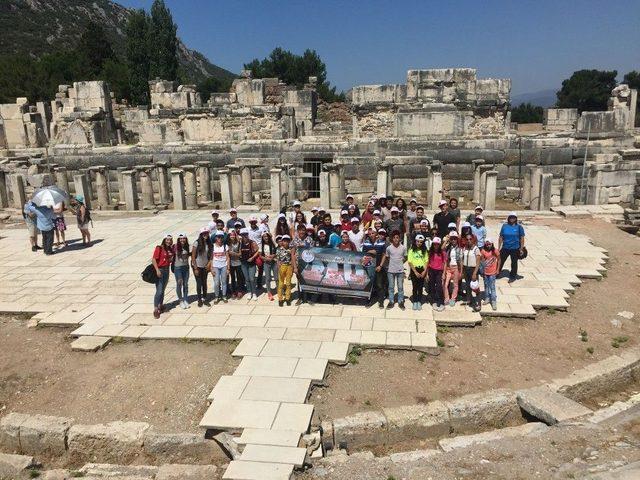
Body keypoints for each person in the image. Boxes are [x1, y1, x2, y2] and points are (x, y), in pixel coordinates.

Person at [381, 231, 407, 310]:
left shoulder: (403, 248)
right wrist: (393, 263)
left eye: (397, 237)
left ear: (400, 238)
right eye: (394, 238)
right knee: (391, 287)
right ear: (392, 239)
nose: (396, 239)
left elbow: (405, 257)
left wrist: (400, 262)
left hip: (400, 271)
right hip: (391, 270)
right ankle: (391, 301)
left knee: (400, 287)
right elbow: (388, 257)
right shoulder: (389, 248)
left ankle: (400, 301)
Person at [498, 212, 525, 283]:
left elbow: (522, 238)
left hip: (515, 248)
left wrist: (521, 248)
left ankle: (513, 276)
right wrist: (498, 247)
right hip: (505, 247)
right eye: (510, 217)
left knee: (514, 263)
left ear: (516, 218)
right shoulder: (504, 226)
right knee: (500, 261)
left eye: (513, 217)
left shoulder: (519, 227)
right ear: (508, 218)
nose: (512, 219)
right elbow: (501, 237)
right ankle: (497, 273)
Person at [365, 228, 388, 309]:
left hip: (379, 266)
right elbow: (363, 254)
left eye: (373, 233)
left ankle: (380, 301)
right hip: (369, 266)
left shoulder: (381, 243)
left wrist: (380, 266)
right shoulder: (366, 243)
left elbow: (384, 254)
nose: (371, 235)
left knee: (380, 284)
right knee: (370, 284)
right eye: (370, 233)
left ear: (376, 234)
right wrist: (370, 252)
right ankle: (369, 300)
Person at [152, 234, 174, 318]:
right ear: (164, 240)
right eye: (167, 240)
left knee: (163, 288)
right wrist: (157, 270)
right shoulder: (159, 248)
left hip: (166, 270)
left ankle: (160, 305)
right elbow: (154, 259)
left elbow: (169, 259)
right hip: (160, 270)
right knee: (159, 290)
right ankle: (155, 309)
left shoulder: (170, 249)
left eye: (170, 240)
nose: (169, 241)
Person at [461, 232, 482, 312]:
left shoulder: (476, 249)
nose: (469, 241)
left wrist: (475, 273)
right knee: (467, 286)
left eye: (470, 239)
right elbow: (463, 260)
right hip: (466, 269)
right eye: (467, 239)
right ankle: (469, 300)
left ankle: (478, 304)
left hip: (473, 269)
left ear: (473, 240)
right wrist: (462, 271)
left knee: (475, 287)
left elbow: (478, 263)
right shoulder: (465, 248)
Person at [408, 234, 429, 310]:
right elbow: (410, 262)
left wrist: (425, 272)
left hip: (422, 270)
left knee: (420, 287)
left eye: (421, 242)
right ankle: (415, 301)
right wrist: (415, 272)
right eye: (418, 241)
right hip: (414, 270)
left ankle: (419, 301)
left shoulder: (424, 250)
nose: (419, 243)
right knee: (415, 286)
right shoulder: (411, 250)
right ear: (415, 241)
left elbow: (426, 261)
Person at [191, 228, 212, 307]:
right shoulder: (196, 243)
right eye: (204, 233)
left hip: (205, 266)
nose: (205, 235)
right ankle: (199, 299)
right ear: (201, 234)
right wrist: (195, 268)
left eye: (206, 233)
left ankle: (205, 298)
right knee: (199, 283)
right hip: (197, 266)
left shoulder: (209, 243)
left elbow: (211, 254)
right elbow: (193, 256)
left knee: (204, 282)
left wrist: (209, 264)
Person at [239, 227, 259, 300]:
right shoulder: (240, 243)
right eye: (243, 235)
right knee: (247, 279)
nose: (244, 236)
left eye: (245, 234)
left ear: (248, 234)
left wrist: (252, 257)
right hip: (243, 264)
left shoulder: (252, 242)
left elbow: (258, 251)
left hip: (252, 264)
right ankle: (249, 292)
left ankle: (254, 293)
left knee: (252, 279)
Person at [480, 238, 501, 311]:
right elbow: (482, 261)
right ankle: (487, 298)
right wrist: (482, 270)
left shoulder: (495, 251)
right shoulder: (483, 251)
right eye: (487, 244)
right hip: (485, 272)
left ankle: (494, 301)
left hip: (492, 272)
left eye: (489, 244)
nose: (488, 245)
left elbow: (499, 260)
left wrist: (498, 269)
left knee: (492, 287)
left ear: (492, 244)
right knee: (486, 286)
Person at [276, 234, 296, 306]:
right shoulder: (279, 249)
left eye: (287, 241)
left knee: (288, 283)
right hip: (282, 266)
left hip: (289, 267)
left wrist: (293, 267)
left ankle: (287, 298)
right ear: (282, 241)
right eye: (284, 241)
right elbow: (277, 259)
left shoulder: (291, 249)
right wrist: (278, 265)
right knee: (281, 283)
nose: (286, 242)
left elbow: (293, 258)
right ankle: (280, 299)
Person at [427, 237, 446, 311]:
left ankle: (441, 302)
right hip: (431, 271)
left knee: (439, 287)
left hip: (439, 271)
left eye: (437, 244)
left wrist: (444, 273)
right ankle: (434, 300)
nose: (436, 246)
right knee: (431, 286)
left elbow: (445, 263)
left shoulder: (442, 253)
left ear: (439, 244)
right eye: (434, 244)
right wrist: (427, 274)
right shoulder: (430, 252)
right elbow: (427, 263)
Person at [443, 232, 462, 307]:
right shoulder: (448, 247)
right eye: (452, 239)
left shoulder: (460, 249)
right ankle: (446, 298)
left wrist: (461, 271)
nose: (453, 240)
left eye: (455, 239)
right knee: (445, 284)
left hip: (456, 267)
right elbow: (442, 248)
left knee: (455, 284)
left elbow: (460, 261)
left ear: (457, 240)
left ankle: (453, 298)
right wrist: (446, 240)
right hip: (448, 267)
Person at [172, 233, 190, 309]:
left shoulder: (187, 246)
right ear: (179, 239)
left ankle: (185, 299)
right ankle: (180, 300)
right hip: (178, 268)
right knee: (179, 283)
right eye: (181, 238)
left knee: (185, 284)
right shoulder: (175, 246)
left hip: (186, 267)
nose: (182, 240)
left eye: (184, 238)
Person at [227, 230, 244, 299]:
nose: (232, 236)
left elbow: (240, 254)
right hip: (231, 263)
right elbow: (227, 254)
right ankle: (233, 292)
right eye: (231, 235)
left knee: (239, 277)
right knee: (233, 278)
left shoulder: (239, 243)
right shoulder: (228, 244)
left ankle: (240, 291)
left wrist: (232, 253)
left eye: (233, 235)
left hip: (238, 262)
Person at [261, 232, 278, 301]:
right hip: (266, 263)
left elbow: (277, 252)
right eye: (264, 236)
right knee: (268, 278)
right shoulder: (261, 245)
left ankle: (278, 289)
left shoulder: (273, 244)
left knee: (277, 278)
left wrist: (273, 256)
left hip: (274, 262)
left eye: (267, 236)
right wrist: (266, 259)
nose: (266, 237)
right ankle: (269, 292)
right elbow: (260, 255)